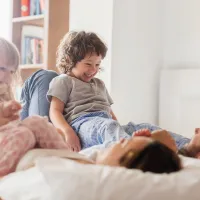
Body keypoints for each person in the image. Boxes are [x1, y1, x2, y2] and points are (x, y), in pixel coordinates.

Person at [20, 31, 200, 158]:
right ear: (70, 61)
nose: (93, 70)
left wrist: (118, 125)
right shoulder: (63, 81)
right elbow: (55, 111)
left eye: (97, 65)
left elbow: (109, 112)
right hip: (82, 124)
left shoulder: (99, 84)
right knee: (107, 128)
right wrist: (68, 132)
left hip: (106, 122)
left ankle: (188, 146)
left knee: (144, 126)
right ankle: (137, 153)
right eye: (88, 64)